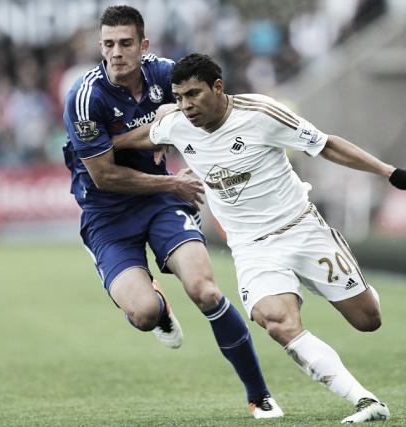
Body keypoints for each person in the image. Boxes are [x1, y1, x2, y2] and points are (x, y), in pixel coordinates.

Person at [114, 53, 406, 424]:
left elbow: (325, 144)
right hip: (253, 247)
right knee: (276, 321)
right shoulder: (175, 123)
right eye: (180, 97)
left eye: (194, 95)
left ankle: (347, 281)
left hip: (301, 228)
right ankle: (365, 401)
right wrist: (93, 144)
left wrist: (389, 172)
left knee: (368, 319)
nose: (187, 106)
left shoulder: (262, 114)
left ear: (218, 88)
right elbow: (129, 139)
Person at [62, 6, 283, 419]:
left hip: (161, 204)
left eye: (126, 43)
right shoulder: (84, 98)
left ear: (143, 46)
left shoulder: (166, 75)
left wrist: (171, 117)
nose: (116, 53)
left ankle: (259, 395)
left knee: (206, 290)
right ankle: (161, 310)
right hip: (107, 215)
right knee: (143, 314)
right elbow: (106, 176)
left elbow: (213, 107)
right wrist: (171, 177)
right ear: (100, 47)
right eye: (108, 44)